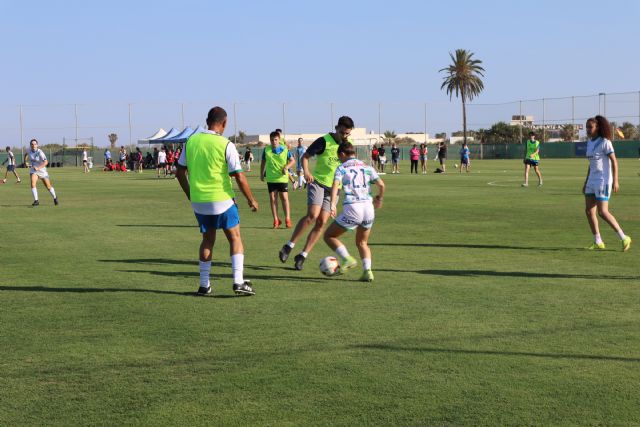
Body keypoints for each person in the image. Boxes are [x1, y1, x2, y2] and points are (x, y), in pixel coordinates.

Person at [176, 106, 259, 296]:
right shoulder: (225, 144)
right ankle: (238, 282)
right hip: (222, 200)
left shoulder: (190, 142)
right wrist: (251, 200)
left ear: (207, 121)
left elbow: (179, 172)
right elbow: (239, 176)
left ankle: (204, 285)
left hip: (199, 202)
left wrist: (191, 195)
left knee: (207, 240)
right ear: (224, 123)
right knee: (235, 237)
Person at [278, 116, 355, 270]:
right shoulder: (324, 141)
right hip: (318, 182)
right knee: (312, 215)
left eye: (348, 134)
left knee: (322, 222)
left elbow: (350, 166)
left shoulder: (348, 145)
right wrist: (306, 172)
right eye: (343, 132)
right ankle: (289, 246)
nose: (345, 136)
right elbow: (305, 157)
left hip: (334, 188)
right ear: (336, 128)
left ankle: (302, 255)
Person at [324, 142, 385, 282]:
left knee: (329, 236)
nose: (339, 159)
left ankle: (347, 259)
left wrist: (332, 204)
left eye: (339, 157)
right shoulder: (367, 166)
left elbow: (335, 186)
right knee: (362, 242)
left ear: (342, 154)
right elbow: (381, 184)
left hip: (353, 208)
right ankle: (367, 271)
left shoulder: (341, 168)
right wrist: (379, 199)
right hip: (369, 209)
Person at [582, 115, 632, 251]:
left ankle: (624, 237)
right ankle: (598, 241)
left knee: (603, 212)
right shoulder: (590, 142)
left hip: (603, 180)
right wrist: (586, 181)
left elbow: (614, 161)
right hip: (592, 180)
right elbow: (591, 164)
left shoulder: (605, 142)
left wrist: (615, 180)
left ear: (597, 127)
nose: (587, 129)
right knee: (588, 211)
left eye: (590, 127)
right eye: (586, 127)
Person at [261, 131, 295, 228]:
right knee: (272, 198)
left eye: (275, 140)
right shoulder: (266, 150)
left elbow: (292, 161)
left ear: (279, 140)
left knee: (284, 197)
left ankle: (287, 219)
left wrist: (286, 167)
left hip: (282, 178)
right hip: (271, 178)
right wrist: (261, 174)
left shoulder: (285, 150)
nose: (274, 142)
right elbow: (263, 162)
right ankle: (276, 220)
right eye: (272, 140)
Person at [25, 139, 58, 206]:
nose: (33, 145)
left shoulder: (40, 152)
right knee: (33, 183)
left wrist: (38, 168)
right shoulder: (29, 151)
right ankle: (36, 201)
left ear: (37, 145)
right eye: (32, 144)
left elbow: (46, 162)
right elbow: (26, 154)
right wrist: (25, 162)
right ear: (30, 145)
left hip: (42, 171)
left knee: (48, 187)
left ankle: (55, 197)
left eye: (35, 144)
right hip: (34, 171)